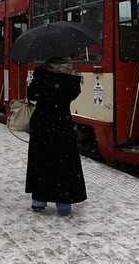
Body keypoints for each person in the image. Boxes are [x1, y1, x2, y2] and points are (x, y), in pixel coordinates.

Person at [25, 57, 87, 216]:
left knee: (41, 160)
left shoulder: (41, 73)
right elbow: (73, 95)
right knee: (64, 162)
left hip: (42, 123)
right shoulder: (71, 77)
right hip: (62, 124)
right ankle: (63, 202)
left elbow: (32, 95)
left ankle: (39, 199)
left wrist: (41, 81)